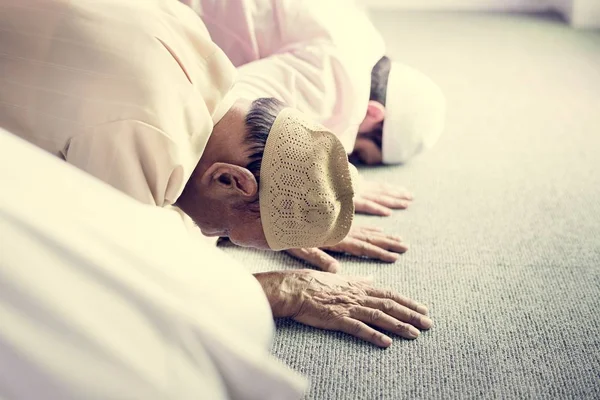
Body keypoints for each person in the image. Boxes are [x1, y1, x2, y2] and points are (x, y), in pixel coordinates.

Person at [0, 0, 356, 251]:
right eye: (227, 234)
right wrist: (279, 294)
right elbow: (116, 275)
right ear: (230, 180)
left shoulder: (193, 39)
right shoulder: (149, 137)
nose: (212, 234)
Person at [181, 0, 446, 167]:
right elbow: (221, 110)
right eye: (361, 155)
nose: (351, 157)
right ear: (374, 113)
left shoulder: (361, 33)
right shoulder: (339, 80)